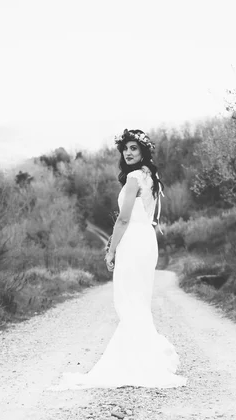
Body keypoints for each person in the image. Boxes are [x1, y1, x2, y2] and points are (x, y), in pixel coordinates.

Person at [50, 128, 186, 389]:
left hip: (134, 240)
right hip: (147, 238)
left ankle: (138, 363)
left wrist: (111, 249)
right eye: (126, 149)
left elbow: (124, 219)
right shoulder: (151, 176)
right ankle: (143, 357)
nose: (128, 152)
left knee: (130, 299)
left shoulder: (135, 177)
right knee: (138, 299)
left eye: (134, 148)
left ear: (143, 151)